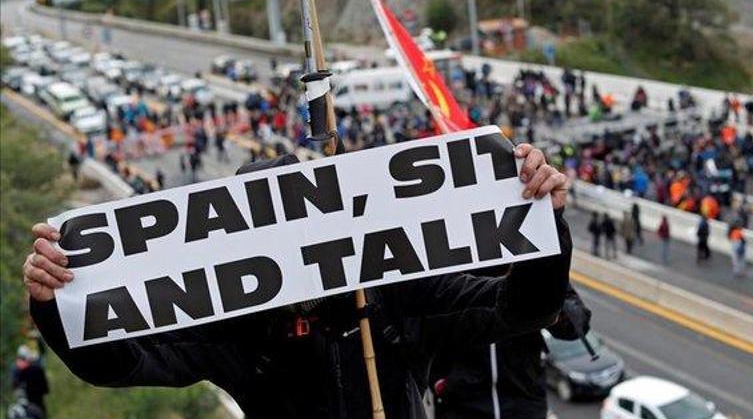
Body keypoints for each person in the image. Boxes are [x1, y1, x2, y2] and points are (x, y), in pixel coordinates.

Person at [23, 143, 573, 419]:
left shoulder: (394, 292)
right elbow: (119, 363)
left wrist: (542, 222)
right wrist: (56, 304)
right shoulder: (230, 324)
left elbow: (522, 308)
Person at [431, 285, 590, 419]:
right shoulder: (450, 262)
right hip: (460, 402)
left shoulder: (528, 259)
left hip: (524, 398)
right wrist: (439, 380)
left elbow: (576, 324)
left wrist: (550, 300)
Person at [10, 345, 48, 417]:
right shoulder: (16, 367)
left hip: (35, 394)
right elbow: (15, 383)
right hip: (26, 395)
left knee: (40, 411)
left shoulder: (32, 365)